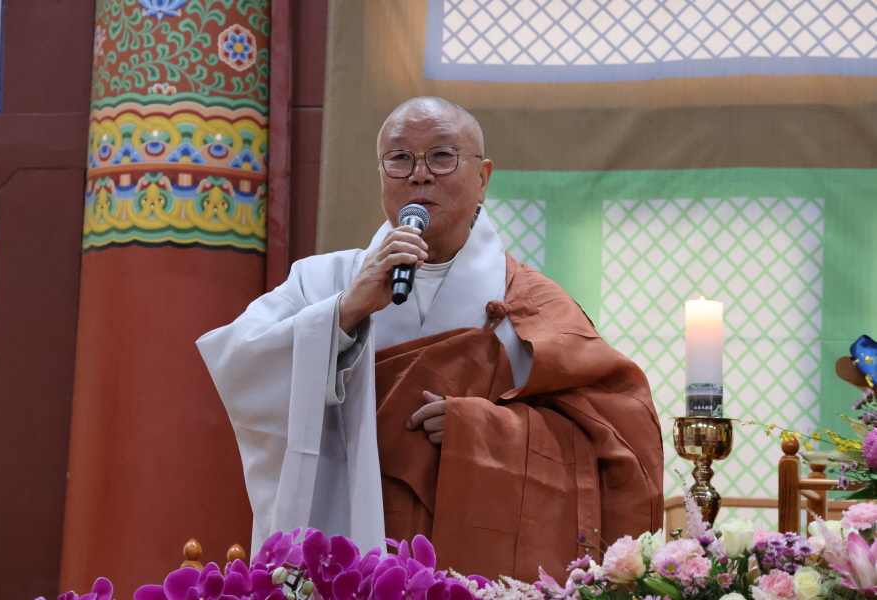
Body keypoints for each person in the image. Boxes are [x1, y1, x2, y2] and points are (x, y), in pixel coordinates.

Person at [197, 97, 664, 582]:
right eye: (399, 159)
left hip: (471, 559)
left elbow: (618, 434)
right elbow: (239, 364)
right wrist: (343, 313)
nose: (420, 175)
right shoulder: (323, 281)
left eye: (442, 156)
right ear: (381, 174)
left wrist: (482, 431)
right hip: (344, 542)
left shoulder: (528, 301)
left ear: (483, 178)